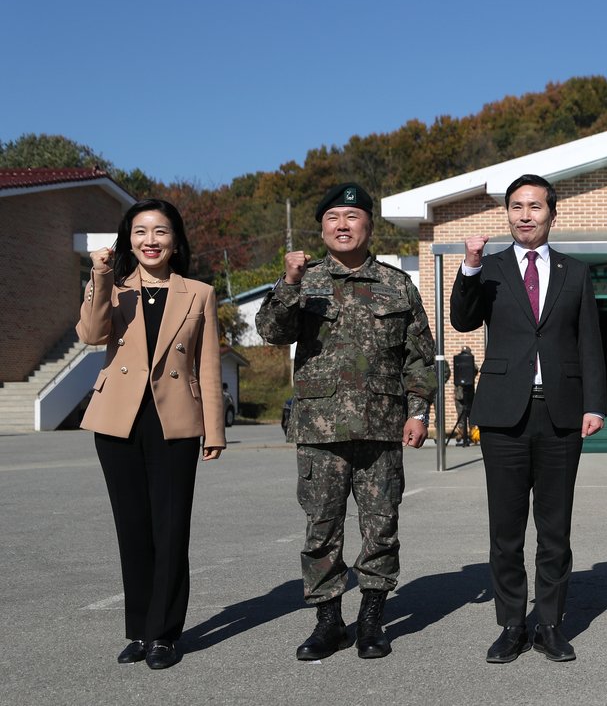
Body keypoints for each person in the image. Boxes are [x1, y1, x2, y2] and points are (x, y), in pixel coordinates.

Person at [256, 183, 437, 662]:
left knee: (381, 525)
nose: (342, 225)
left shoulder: (397, 284)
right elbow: (272, 333)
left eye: (352, 216)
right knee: (322, 529)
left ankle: (372, 619)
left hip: (381, 428)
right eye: (333, 217)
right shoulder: (305, 279)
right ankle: (329, 622)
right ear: (321, 228)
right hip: (320, 429)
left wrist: (418, 412)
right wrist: (289, 284)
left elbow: (419, 357)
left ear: (369, 226)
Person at [450, 174, 606, 663]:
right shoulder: (490, 267)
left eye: (534, 206)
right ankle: (512, 624)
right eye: (516, 206)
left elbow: (589, 343)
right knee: (507, 529)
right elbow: (461, 318)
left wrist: (594, 403)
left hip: (560, 413)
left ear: (551, 214)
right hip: (502, 414)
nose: (524, 214)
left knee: (555, 529)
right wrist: (470, 266)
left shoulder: (575, 272)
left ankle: (552, 625)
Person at [78, 198, 225, 670]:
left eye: (160, 231)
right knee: (133, 530)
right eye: (140, 232)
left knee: (171, 528)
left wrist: (214, 428)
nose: (150, 240)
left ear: (175, 240)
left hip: (175, 421)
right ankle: (139, 631)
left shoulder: (199, 292)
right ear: (128, 240)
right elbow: (91, 334)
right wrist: (100, 277)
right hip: (118, 421)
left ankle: (164, 634)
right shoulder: (113, 287)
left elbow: (208, 362)